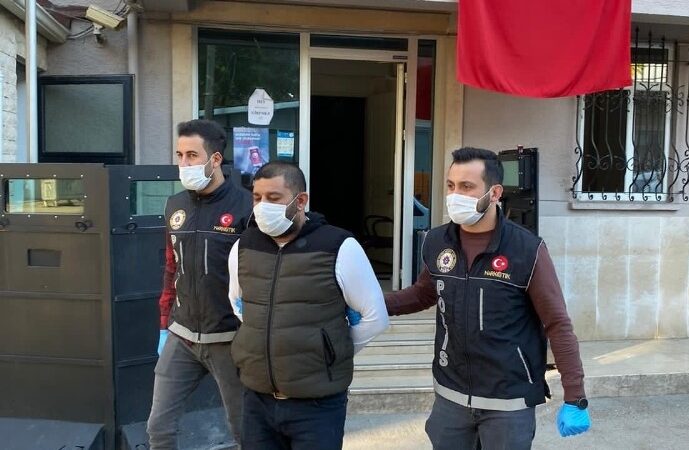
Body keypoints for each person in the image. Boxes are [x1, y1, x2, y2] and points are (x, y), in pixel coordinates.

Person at [386, 147, 591, 450]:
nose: (455, 195)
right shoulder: (437, 241)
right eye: (451, 186)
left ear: (494, 193)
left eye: (467, 187)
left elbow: (557, 323)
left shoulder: (526, 249)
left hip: (508, 402)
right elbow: (424, 293)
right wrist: (373, 305)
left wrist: (575, 396)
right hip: (451, 396)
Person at [228, 161, 389, 450]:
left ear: (300, 201)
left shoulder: (338, 246)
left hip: (317, 406)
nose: (262, 206)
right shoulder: (245, 245)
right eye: (257, 197)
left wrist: (330, 351)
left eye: (273, 198)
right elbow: (238, 304)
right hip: (257, 400)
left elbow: (374, 317)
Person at [147, 119, 251, 450]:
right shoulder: (174, 205)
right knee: (158, 428)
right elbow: (171, 268)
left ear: (215, 159)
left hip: (230, 339)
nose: (184, 163)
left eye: (192, 155)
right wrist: (164, 325)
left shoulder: (247, 207)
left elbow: (262, 276)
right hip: (182, 337)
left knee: (244, 431)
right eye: (179, 155)